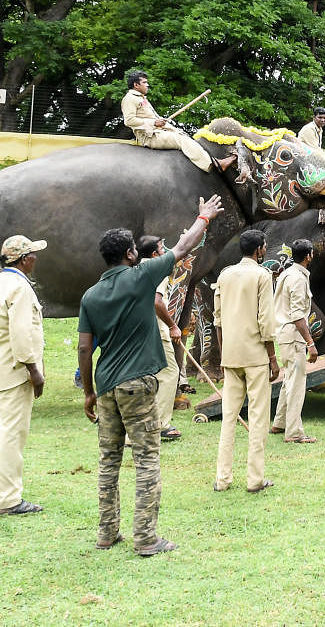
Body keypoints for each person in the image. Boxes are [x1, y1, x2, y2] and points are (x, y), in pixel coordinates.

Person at [78, 194, 223, 556]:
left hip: (107, 385)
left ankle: (107, 532)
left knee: (109, 460)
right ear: (130, 254)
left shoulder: (91, 295)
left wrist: (89, 392)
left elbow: (84, 348)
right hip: (138, 382)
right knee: (146, 458)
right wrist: (203, 217)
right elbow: (184, 246)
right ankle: (145, 537)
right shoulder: (141, 276)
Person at [0, 235, 47, 515]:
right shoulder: (19, 287)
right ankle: (8, 499)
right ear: (24, 259)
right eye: (33, 254)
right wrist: (33, 369)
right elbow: (21, 333)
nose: (36, 259)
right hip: (15, 370)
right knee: (12, 434)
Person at [213, 229, 280, 493]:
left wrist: (222, 353)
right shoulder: (262, 276)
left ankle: (223, 479)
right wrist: (273, 357)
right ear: (260, 249)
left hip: (231, 355)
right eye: (264, 247)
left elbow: (217, 319)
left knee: (229, 417)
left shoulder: (225, 275)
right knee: (258, 417)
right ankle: (255, 480)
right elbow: (266, 321)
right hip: (255, 356)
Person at [120, 71, 237, 174]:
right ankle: (213, 164)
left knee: (182, 134)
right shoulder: (129, 98)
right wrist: (155, 123)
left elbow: (149, 118)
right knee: (181, 140)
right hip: (149, 137)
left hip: (158, 132)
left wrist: (161, 121)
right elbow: (129, 121)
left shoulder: (141, 98)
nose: (147, 85)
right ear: (136, 85)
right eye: (144, 82)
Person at [270, 238, 319, 444]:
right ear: (308, 256)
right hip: (294, 336)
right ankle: (294, 432)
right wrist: (311, 343)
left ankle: (279, 423)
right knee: (297, 384)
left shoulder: (287, 273)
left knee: (289, 380)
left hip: (284, 334)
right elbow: (298, 315)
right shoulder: (298, 278)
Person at [137, 236, 183, 442]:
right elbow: (157, 301)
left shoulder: (134, 269)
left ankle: (135, 429)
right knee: (170, 373)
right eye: (163, 249)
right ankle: (161, 425)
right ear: (155, 254)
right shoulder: (157, 268)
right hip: (156, 331)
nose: (166, 252)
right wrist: (173, 326)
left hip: (137, 330)